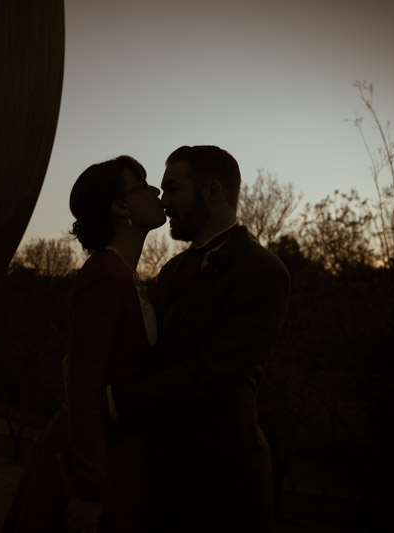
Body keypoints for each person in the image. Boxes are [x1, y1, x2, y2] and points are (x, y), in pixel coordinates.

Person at [110, 145, 290, 532]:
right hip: (159, 480)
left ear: (211, 192)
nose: (165, 201)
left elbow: (213, 375)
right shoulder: (172, 270)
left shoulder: (263, 272)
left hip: (220, 488)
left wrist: (115, 398)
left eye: (173, 189)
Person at [2, 155, 166, 533]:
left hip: (117, 456)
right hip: (89, 463)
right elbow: (84, 385)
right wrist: (90, 486)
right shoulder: (104, 275)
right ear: (121, 206)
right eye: (141, 183)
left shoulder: (124, 275)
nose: (154, 189)